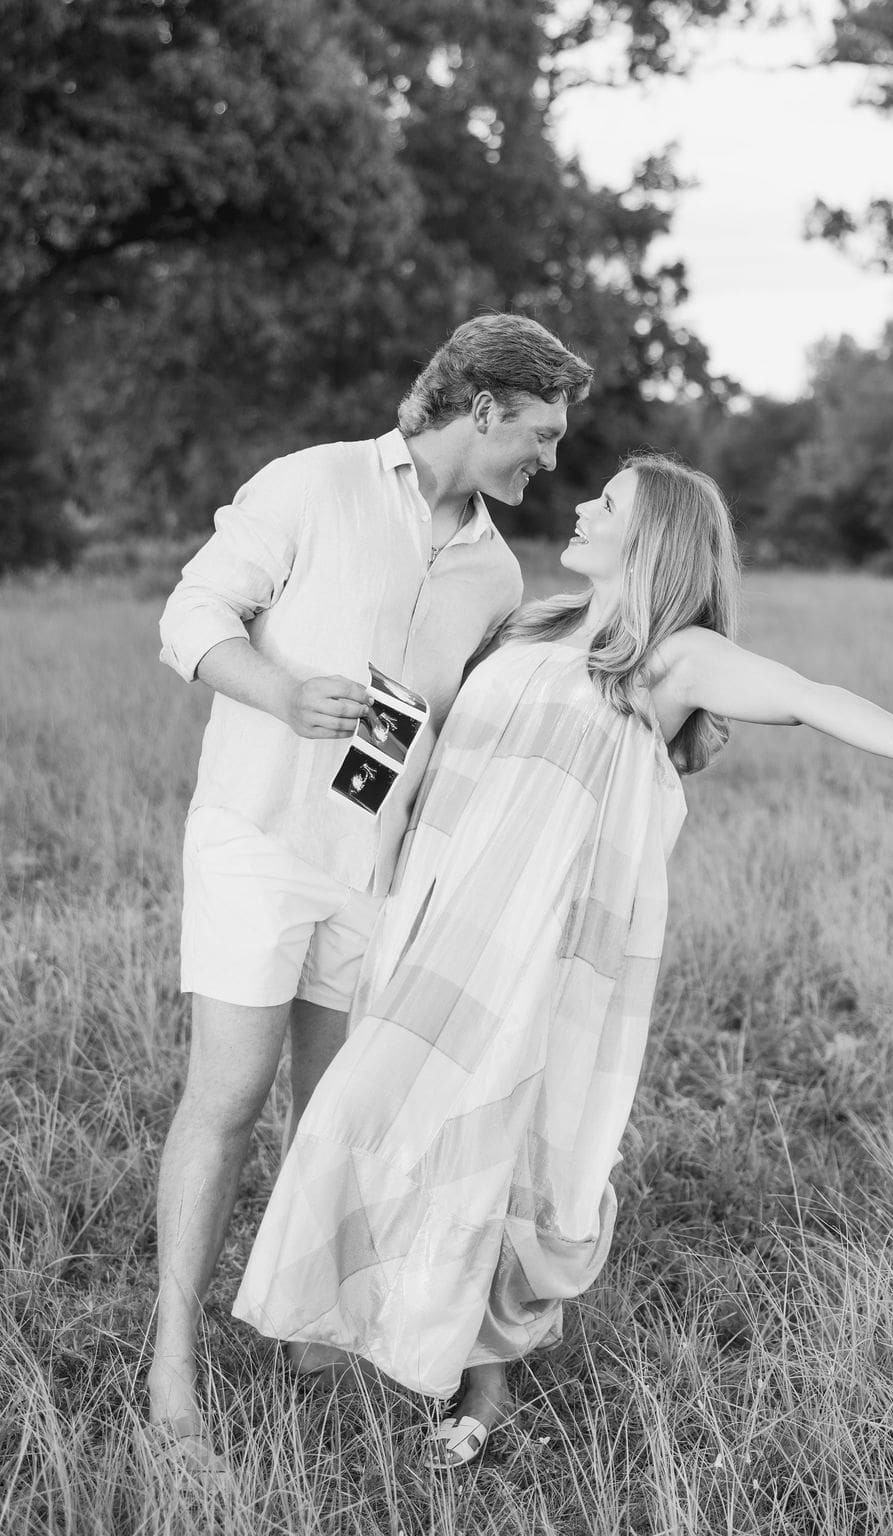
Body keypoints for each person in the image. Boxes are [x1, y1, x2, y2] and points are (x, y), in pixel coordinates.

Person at [233, 452, 893, 1469]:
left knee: (509, 1137)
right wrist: (347, 819)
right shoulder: (531, 621)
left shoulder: (670, 658)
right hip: (435, 910)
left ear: (653, 541)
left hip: (544, 939)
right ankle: (363, 1317)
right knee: (368, 1105)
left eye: (610, 503)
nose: (585, 505)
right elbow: (407, 702)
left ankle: (486, 1378)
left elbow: (809, 695)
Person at [148, 312, 593, 1469]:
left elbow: (482, 721)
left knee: (334, 1115)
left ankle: (311, 1341)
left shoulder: (494, 567)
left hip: (377, 878)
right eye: (538, 433)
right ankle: (173, 1365)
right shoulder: (314, 484)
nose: (546, 460)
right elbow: (191, 616)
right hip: (257, 843)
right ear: (484, 407)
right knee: (231, 1096)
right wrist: (282, 694)